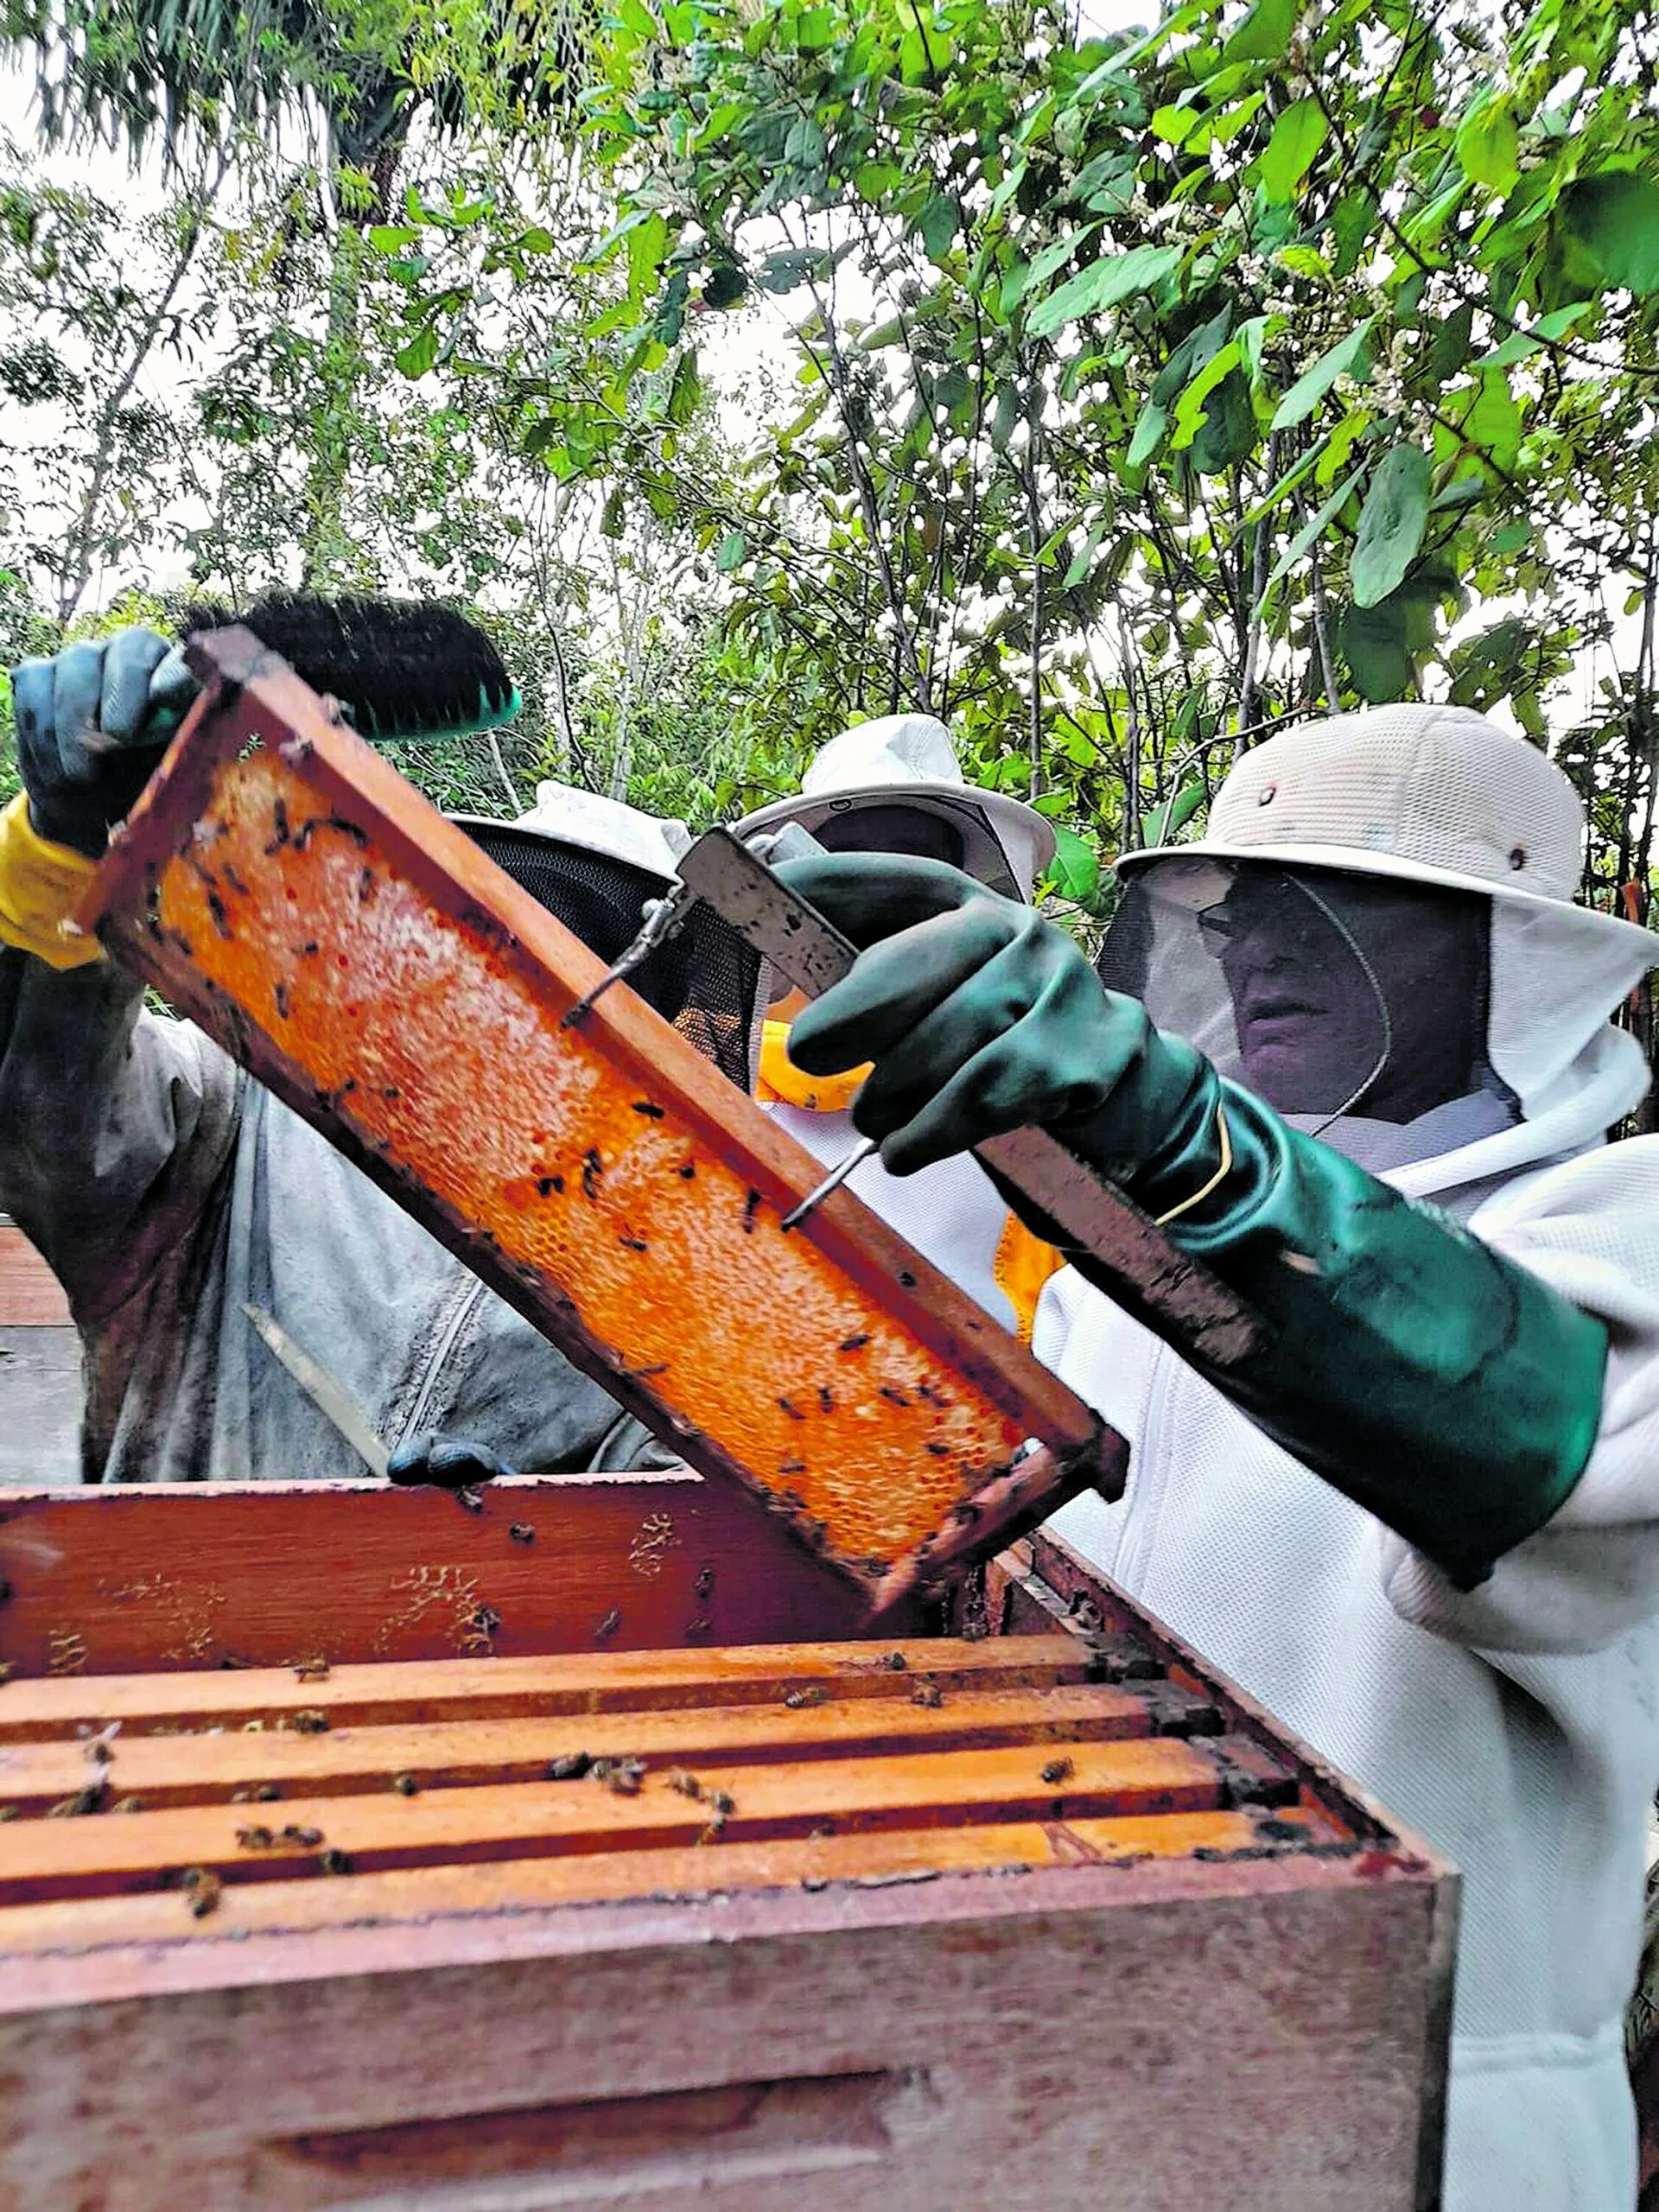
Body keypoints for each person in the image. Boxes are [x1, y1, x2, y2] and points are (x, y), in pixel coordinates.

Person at [772, 703, 1659, 2212]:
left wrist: (1176, 1143)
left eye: (1337, 913)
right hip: (1082, 2075)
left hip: (1436, 2126)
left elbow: (1554, 1467)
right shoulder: (1132, 1246)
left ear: (1512, 966)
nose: (1262, 956)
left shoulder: (1611, 1225)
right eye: (1238, 917)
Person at [0, 628, 760, 1484]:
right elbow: (47, 1114)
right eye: (529, 946)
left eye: (599, 958)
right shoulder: (237, 1116)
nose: (555, 1005)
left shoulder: (657, 1283)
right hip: (153, 1608)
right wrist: (61, 850)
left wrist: (550, 1519)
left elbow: (678, 1492)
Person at [736, 714, 1064, 1341]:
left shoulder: (1020, 1091)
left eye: (910, 868)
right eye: (850, 863)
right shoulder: (722, 1051)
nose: (879, 892)